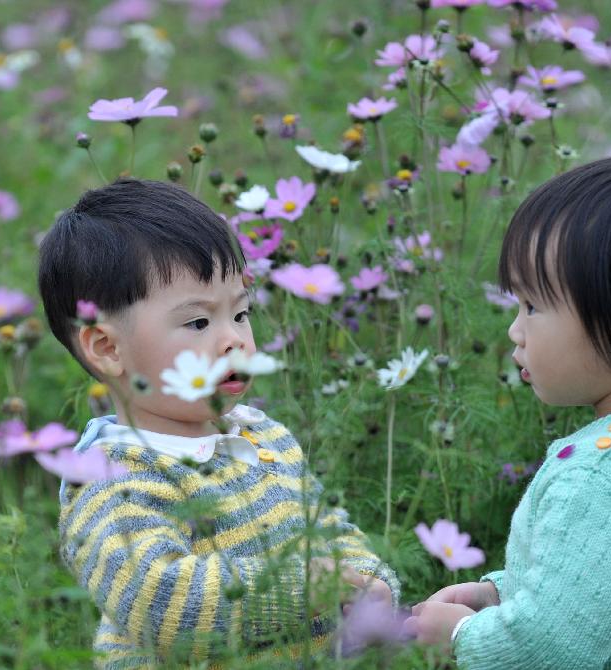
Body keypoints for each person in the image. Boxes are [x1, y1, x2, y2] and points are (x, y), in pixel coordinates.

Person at [37, 178, 398, 668]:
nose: (236, 341)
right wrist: (307, 583)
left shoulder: (264, 437)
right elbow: (163, 605)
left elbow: (332, 530)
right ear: (107, 348)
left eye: (242, 314)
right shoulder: (108, 481)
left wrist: (370, 581)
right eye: (198, 323)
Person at [405, 154, 611, 668]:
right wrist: (495, 596)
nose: (514, 331)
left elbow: (549, 650)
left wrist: (461, 636)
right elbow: (604, 582)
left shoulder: (603, 476)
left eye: (533, 307)